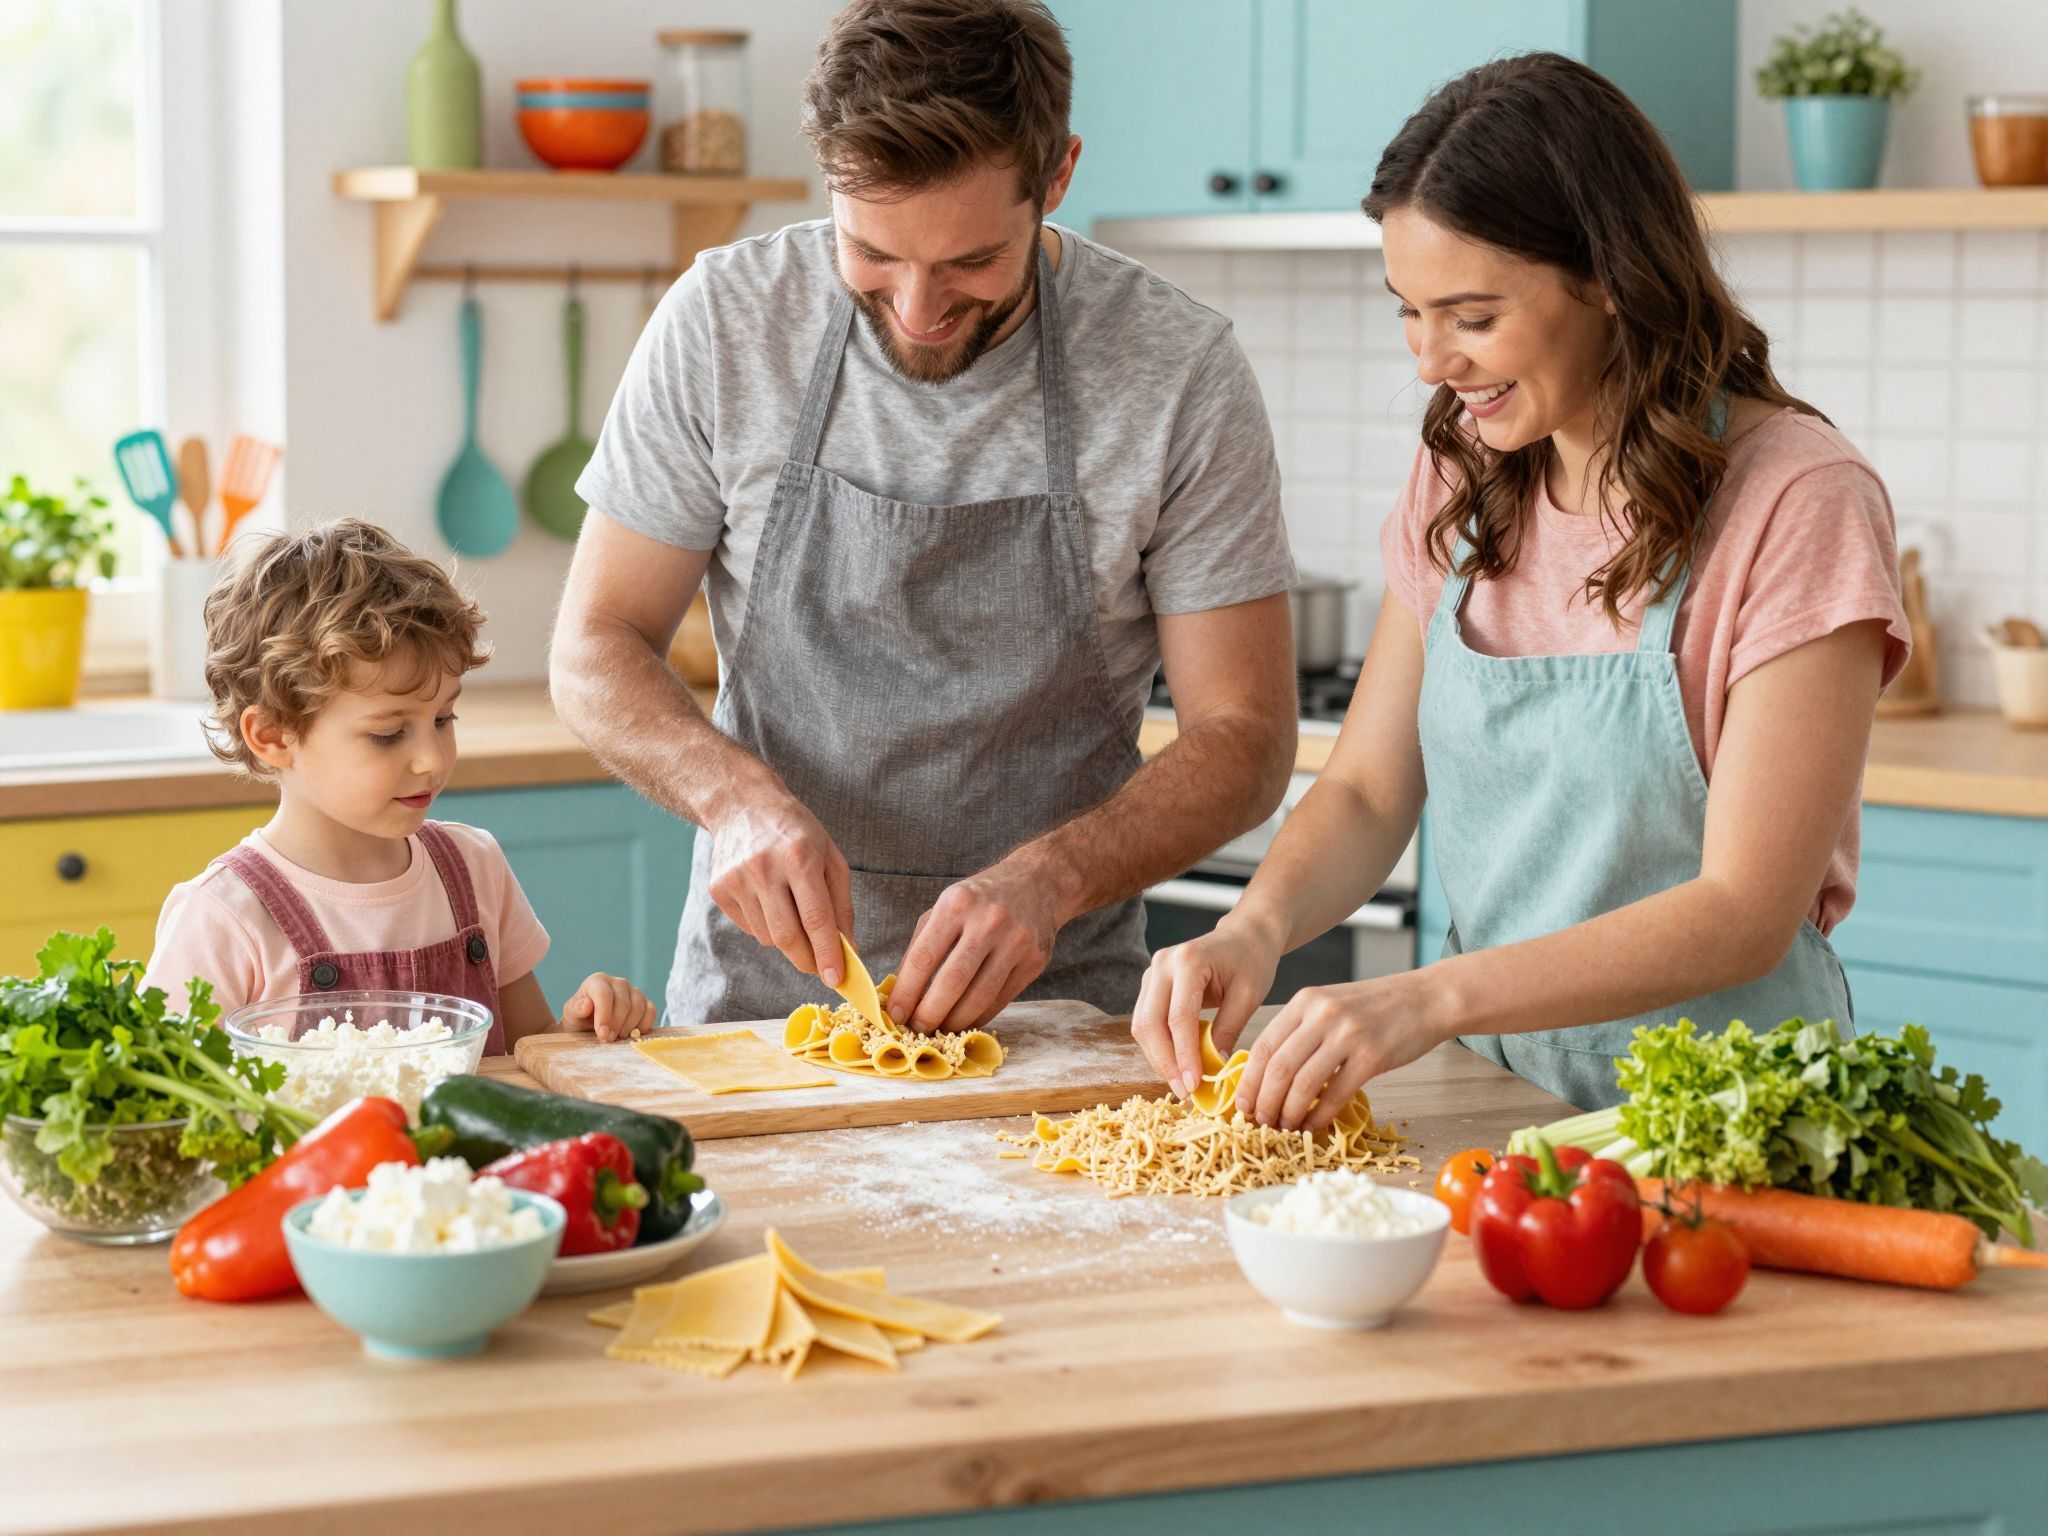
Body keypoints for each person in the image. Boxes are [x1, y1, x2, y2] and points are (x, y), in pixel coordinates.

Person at [1132, 52, 1910, 1121]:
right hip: (1498, 1099)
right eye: (1408, 311)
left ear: (1608, 275)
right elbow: (1366, 791)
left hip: (1728, 1121)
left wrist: (1428, 997)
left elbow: (1743, 910)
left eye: (1471, 316)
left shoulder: (1798, 500)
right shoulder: (1463, 471)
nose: (1430, 362)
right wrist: (1253, 929)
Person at [552, 0, 1297, 1031]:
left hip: (1057, 1022)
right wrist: (731, 800)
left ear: (1057, 177)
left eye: (969, 263)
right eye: (871, 253)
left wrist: (1052, 877)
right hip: (754, 1020)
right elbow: (595, 643)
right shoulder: (725, 320)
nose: (916, 309)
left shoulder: (1178, 371)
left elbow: (1246, 736)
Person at [144, 520, 655, 1051]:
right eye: (387, 734)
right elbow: (167, 1093)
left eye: (443, 719)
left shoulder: (474, 869)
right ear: (272, 734)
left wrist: (583, 1027)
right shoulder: (224, 918)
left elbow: (531, 1052)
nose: (432, 759)